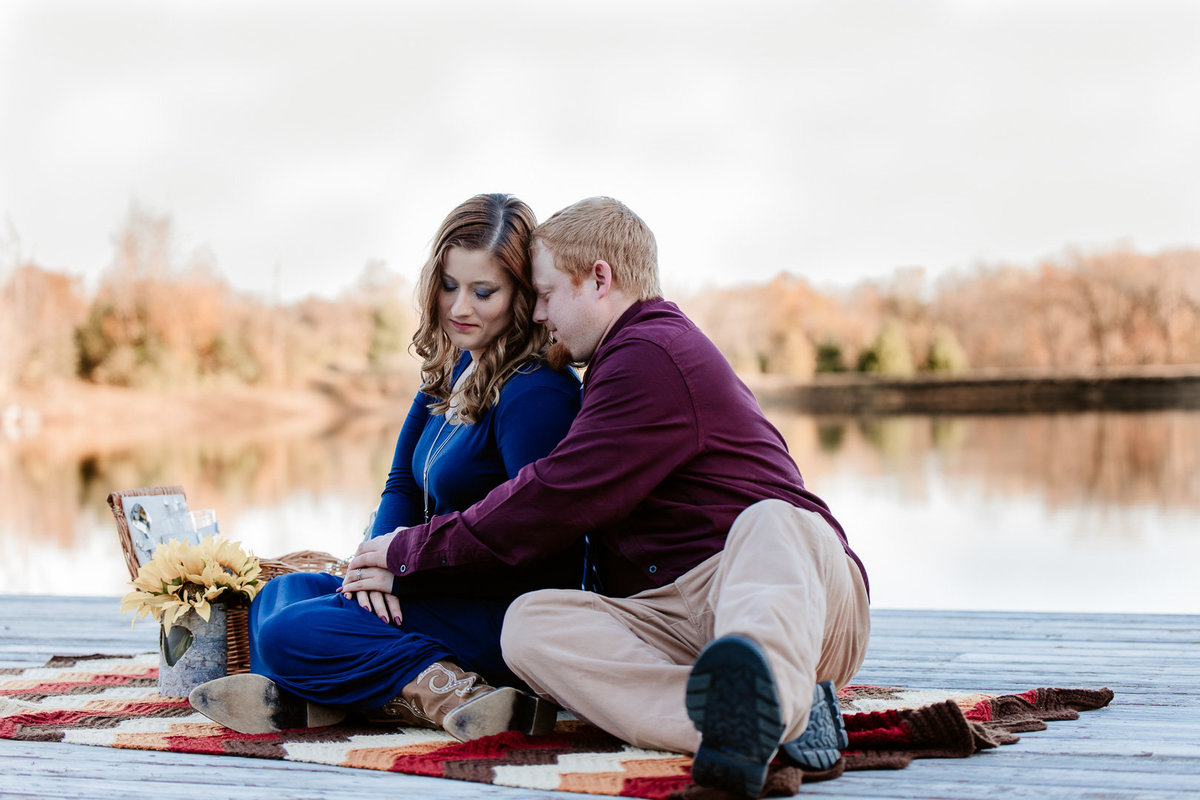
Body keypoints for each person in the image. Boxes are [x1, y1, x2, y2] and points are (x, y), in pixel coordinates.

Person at [342, 196, 871, 798]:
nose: (537, 314)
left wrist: (406, 553)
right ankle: (763, 717)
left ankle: (768, 694)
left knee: (776, 519)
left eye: (544, 294)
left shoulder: (654, 354)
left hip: (786, 595)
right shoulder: (606, 366)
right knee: (531, 624)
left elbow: (552, 499)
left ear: (599, 278)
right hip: (677, 614)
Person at [189, 193, 582, 743]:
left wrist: (405, 568)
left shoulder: (536, 392)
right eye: (449, 286)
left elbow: (537, 537)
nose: (460, 308)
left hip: (498, 609)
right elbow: (401, 483)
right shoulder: (453, 371)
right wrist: (371, 568)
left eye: (483, 291)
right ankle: (387, 697)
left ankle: (449, 691)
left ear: (520, 295)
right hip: (428, 581)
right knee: (282, 595)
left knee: (288, 634)